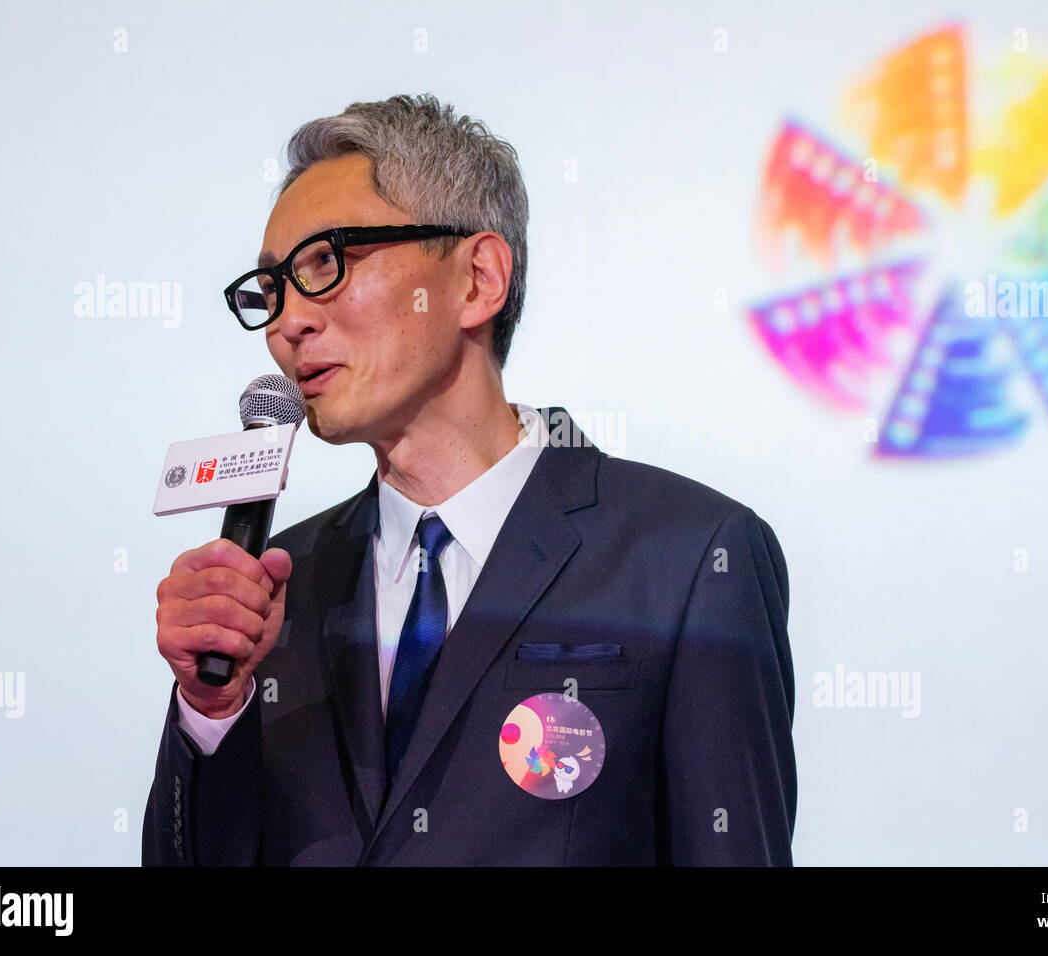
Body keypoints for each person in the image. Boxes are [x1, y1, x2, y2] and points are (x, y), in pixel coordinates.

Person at [142, 93, 796, 866]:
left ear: (478, 278)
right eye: (272, 288)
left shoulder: (686, 558)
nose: (288, 321)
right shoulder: (277, 587)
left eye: (326, 263)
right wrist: (210, 710)